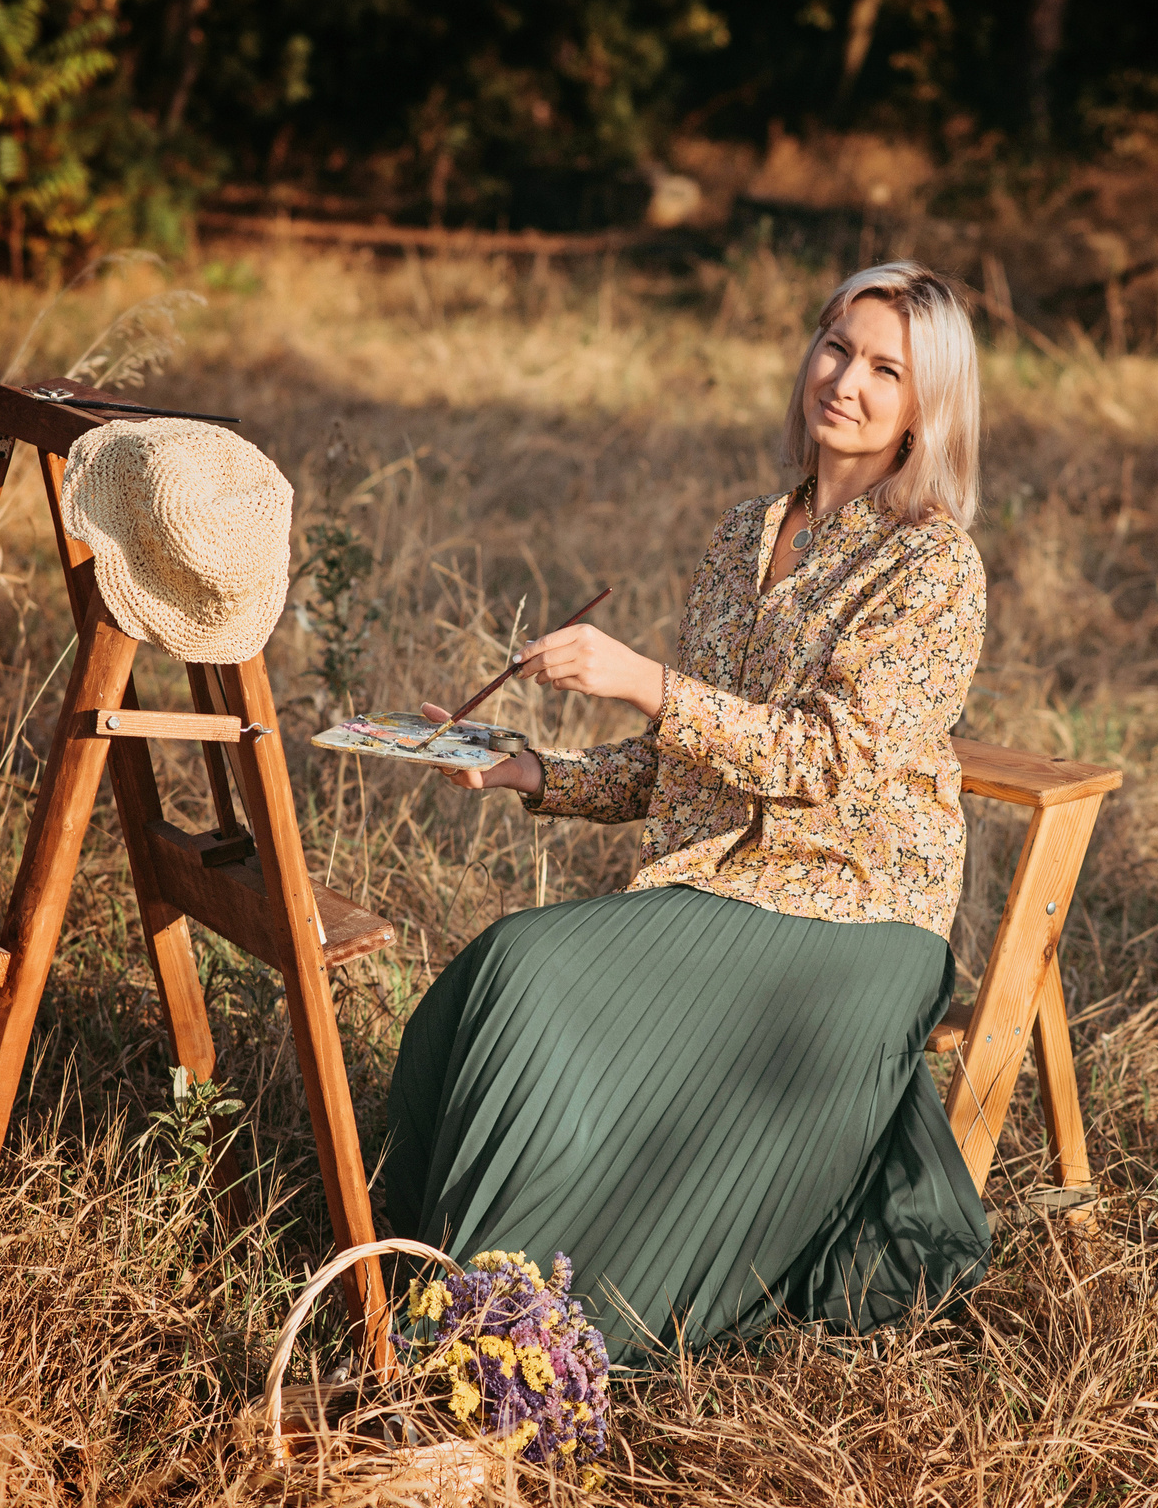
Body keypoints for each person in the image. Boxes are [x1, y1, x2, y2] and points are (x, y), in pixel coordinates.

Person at [382, 260, 992, 1365]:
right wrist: (535, 773)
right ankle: (417, 1272)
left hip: (854, 914)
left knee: (532, 965)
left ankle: (515, 1336)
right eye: (835, 345)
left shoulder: (935, 563)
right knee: (499, 970)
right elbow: (690, 765)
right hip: (718, 881)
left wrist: (645, 678)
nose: (845, 380)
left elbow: (826, 759)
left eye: (885, 369)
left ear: (925, 406)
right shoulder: (746, 532)